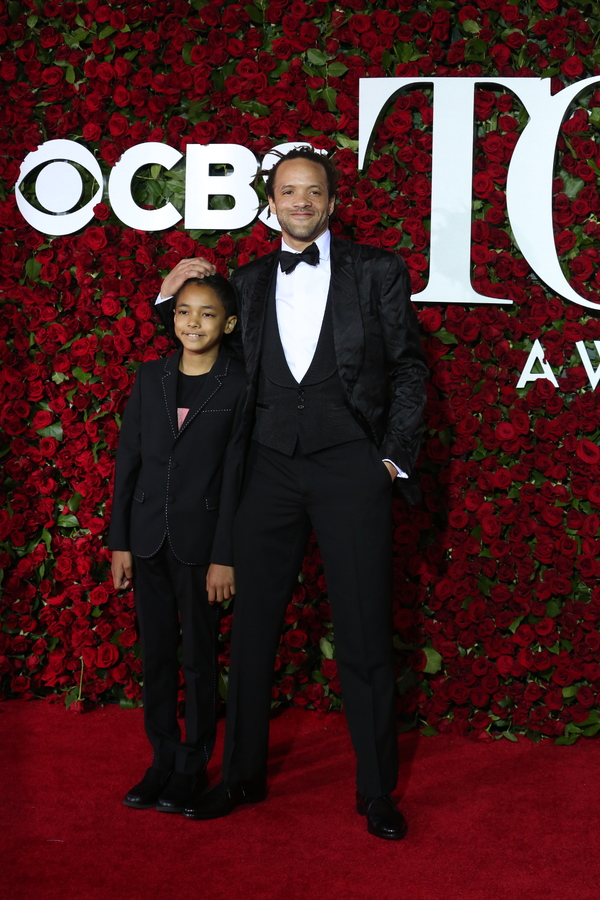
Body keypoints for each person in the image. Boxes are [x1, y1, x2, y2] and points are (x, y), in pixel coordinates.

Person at [155, 147, 428, 840]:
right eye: (287, 191)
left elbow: (408, 369)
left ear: (332, 203)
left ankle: (376, 793)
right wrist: (167, 299)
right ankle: (240, 777)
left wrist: (390, 463)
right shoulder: (245, 280)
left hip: (350, 469)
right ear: (269, 203)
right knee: (250, 636)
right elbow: (202, 353)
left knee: (365, 637)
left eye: (313, 191)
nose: (300, 201)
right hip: (267, 473)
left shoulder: (377, 271)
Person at [109, 273, 246, 814]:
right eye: (185, 312)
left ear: (228, 324)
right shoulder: (150, 377)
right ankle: (160, 761)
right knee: (157, 655)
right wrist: (120, 541)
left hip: (201, 544)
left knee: (198, 660)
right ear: (172, 318)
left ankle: (192, 766)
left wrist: (224, 555)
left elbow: (236, 475)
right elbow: (128, 463)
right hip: (146, 542)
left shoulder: (237, 385)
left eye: (207, 314)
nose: (194, 322)